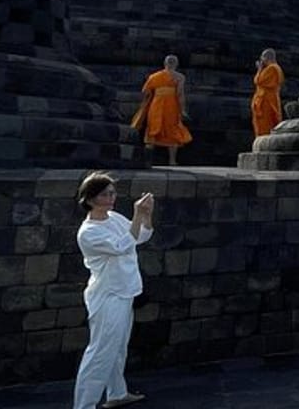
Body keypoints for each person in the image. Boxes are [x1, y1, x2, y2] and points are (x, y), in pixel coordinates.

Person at [72, 172, 154, 409]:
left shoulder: (114, 218)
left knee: (118, 349)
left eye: (112, 193)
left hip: (125, 291)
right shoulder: (88, 232)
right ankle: (84, 406)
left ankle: (117, 393)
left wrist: (146, 215)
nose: (111, 198)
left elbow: (141, 236)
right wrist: (137, 215)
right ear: (90, 199)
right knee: (100, 353)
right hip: (107, 296)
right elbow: (122, 246)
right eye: (105, 195)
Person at [135, 55, 192, 165]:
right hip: (172, 107)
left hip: (156, 106)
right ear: (176, 64)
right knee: (172, 130)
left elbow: (145, 92)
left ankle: (147, 160)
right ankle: (172, 161)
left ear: (164, 63)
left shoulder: (154, 76)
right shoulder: (179, 77)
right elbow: (180, 94)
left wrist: (145, 106)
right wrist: (183, 110)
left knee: (152, 131)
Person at [251, 48, 284, 137]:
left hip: (266, 102)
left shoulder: (272, 68)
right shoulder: (276, 68)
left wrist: (259, 69)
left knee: (265, 126)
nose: (261, 60)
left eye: (262, 58)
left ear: (266, 57)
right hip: (269, 100)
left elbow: (258, 81)